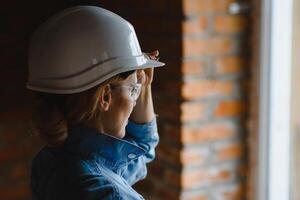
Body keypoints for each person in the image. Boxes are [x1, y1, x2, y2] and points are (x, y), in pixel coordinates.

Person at [27, 6, 165, 200]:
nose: (135, 101)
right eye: (134, 90)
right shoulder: (109, 194)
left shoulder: (50, 162)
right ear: (105, 97)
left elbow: (141, 151)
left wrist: (142, 85)